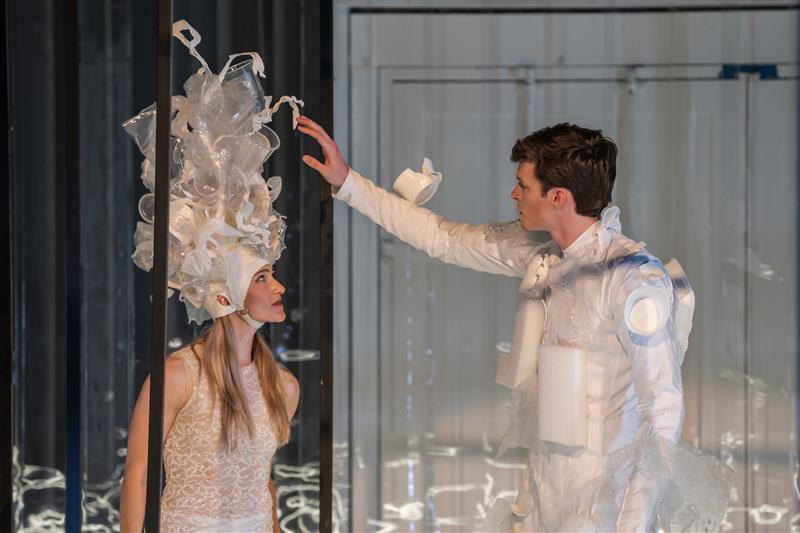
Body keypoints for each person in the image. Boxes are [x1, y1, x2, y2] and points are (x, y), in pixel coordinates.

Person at [298, 116, 730, 531]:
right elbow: (445, 238)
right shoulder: (543, 252)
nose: (514, 194)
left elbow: (664, 405)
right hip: (543, 490)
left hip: (604, 504)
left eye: (523, 186)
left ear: (557, 196)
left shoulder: (632, 277)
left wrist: (632, 524)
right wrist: (348, 182)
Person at [119, 21, 302, 532]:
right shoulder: (179, 375)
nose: (279, 287)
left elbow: (264, 483)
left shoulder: (282, 386)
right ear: (228, 293)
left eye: (272, 275)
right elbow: (138, 476)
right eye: (262, 278)